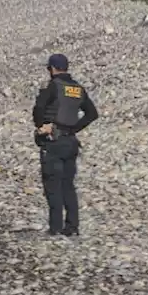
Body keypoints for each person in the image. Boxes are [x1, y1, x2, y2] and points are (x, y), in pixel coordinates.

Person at [32, 53, 99, 236]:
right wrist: (74, 129)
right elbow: (92, 114)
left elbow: (38, 108)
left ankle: (55, 228)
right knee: (68, 185)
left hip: (53, 142)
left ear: (52, 68)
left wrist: (41, 127)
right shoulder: (77, 88)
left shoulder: (52, 86)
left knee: (53, 184)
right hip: (71, 142)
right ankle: (72, 227)